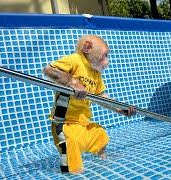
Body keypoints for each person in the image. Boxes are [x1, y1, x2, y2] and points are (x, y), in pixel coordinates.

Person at [43, 35, 136, 174]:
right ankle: (71, 171)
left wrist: (120, 108)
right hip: (64, 123)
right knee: (71, 148)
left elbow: (101, 96)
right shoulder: (75, 60)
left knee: (101, 135)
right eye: (105, 55)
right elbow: (49, 70)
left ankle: (102, 158)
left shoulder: (95, 74)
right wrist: (72, 82)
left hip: (82, 123)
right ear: (87, 48)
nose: (107, 62)